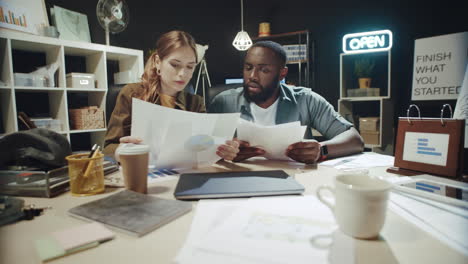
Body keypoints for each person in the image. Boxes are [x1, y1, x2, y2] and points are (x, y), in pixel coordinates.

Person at [209, 40, 363, 164]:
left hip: (296, 179)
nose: (253, 76)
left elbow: (354, 139)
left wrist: (321, 150)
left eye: (264, 70)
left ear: (282, 73)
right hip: (240, 178)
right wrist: (225, 153)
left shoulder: (306, 99)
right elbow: (201, 149)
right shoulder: (222, 103)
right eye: (248, 68)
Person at [104, 30, 239, 160]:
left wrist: (222, 151)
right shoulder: (132, 94)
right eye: (175, 65)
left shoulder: (195, 103)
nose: (183, 74)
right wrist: (120, 151)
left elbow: (202, 148)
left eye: (190, 67)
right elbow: (108, 149)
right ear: (158, 62)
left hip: (182, 174)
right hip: (139, 173)